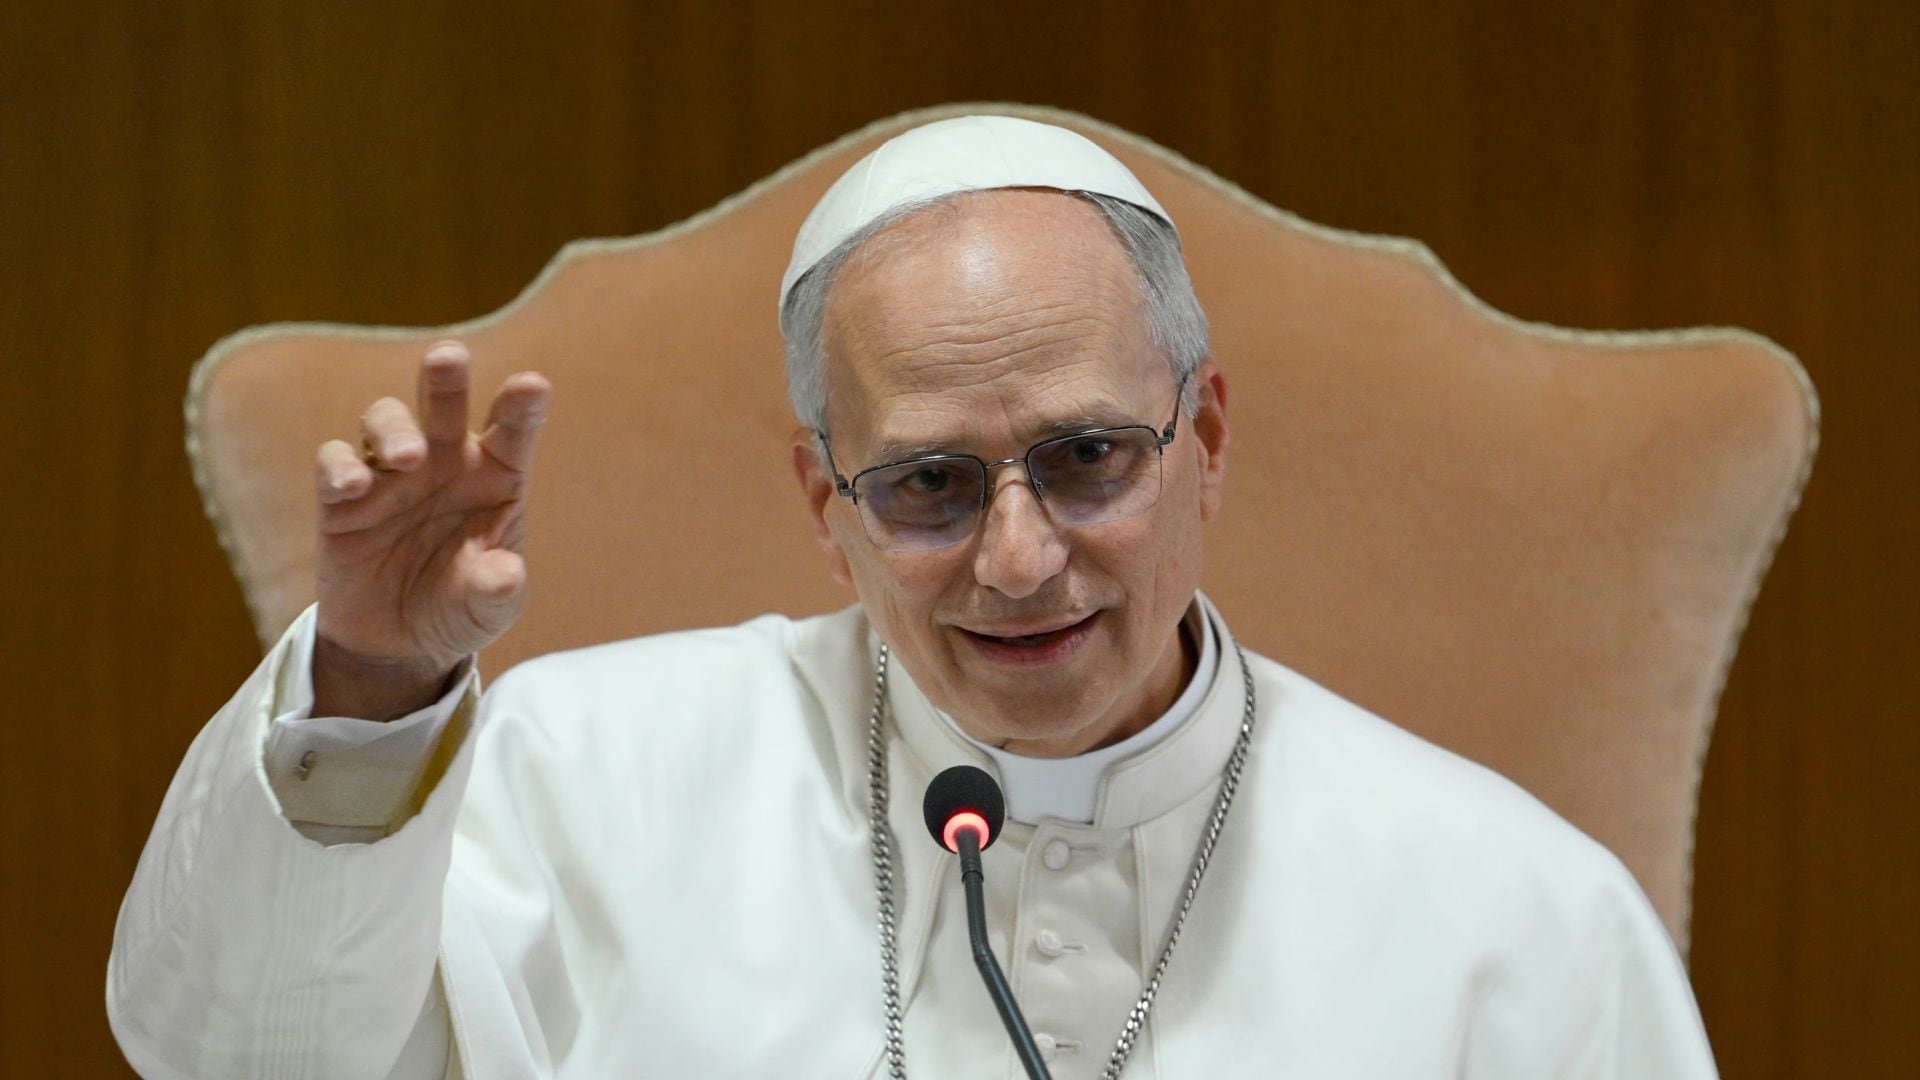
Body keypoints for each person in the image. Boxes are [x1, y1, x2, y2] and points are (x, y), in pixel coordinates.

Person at [108, 116, 1719, 1079]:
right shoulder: (585, 781)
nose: (1020, 561)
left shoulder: (1518, 914)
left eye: (1090, 458)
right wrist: (376, 683)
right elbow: (246, 1059)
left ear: (1204, 439)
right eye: (930, 485)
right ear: (829, 505)